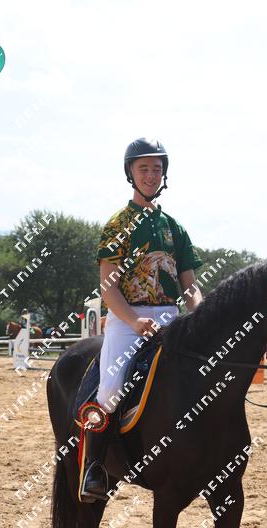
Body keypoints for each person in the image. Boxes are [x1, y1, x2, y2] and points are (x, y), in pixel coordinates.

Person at [80, 138, 204, 502]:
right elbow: (108, 288)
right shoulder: (117, 225)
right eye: (144, 169)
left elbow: (190, 286)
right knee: (110, 389)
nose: (151, 175)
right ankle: (94, 468)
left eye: (157, 169)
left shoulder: (174, 228)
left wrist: (201, 314)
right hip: (126, 318)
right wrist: (134, 321)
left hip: (171, 317)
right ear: (130, 173)